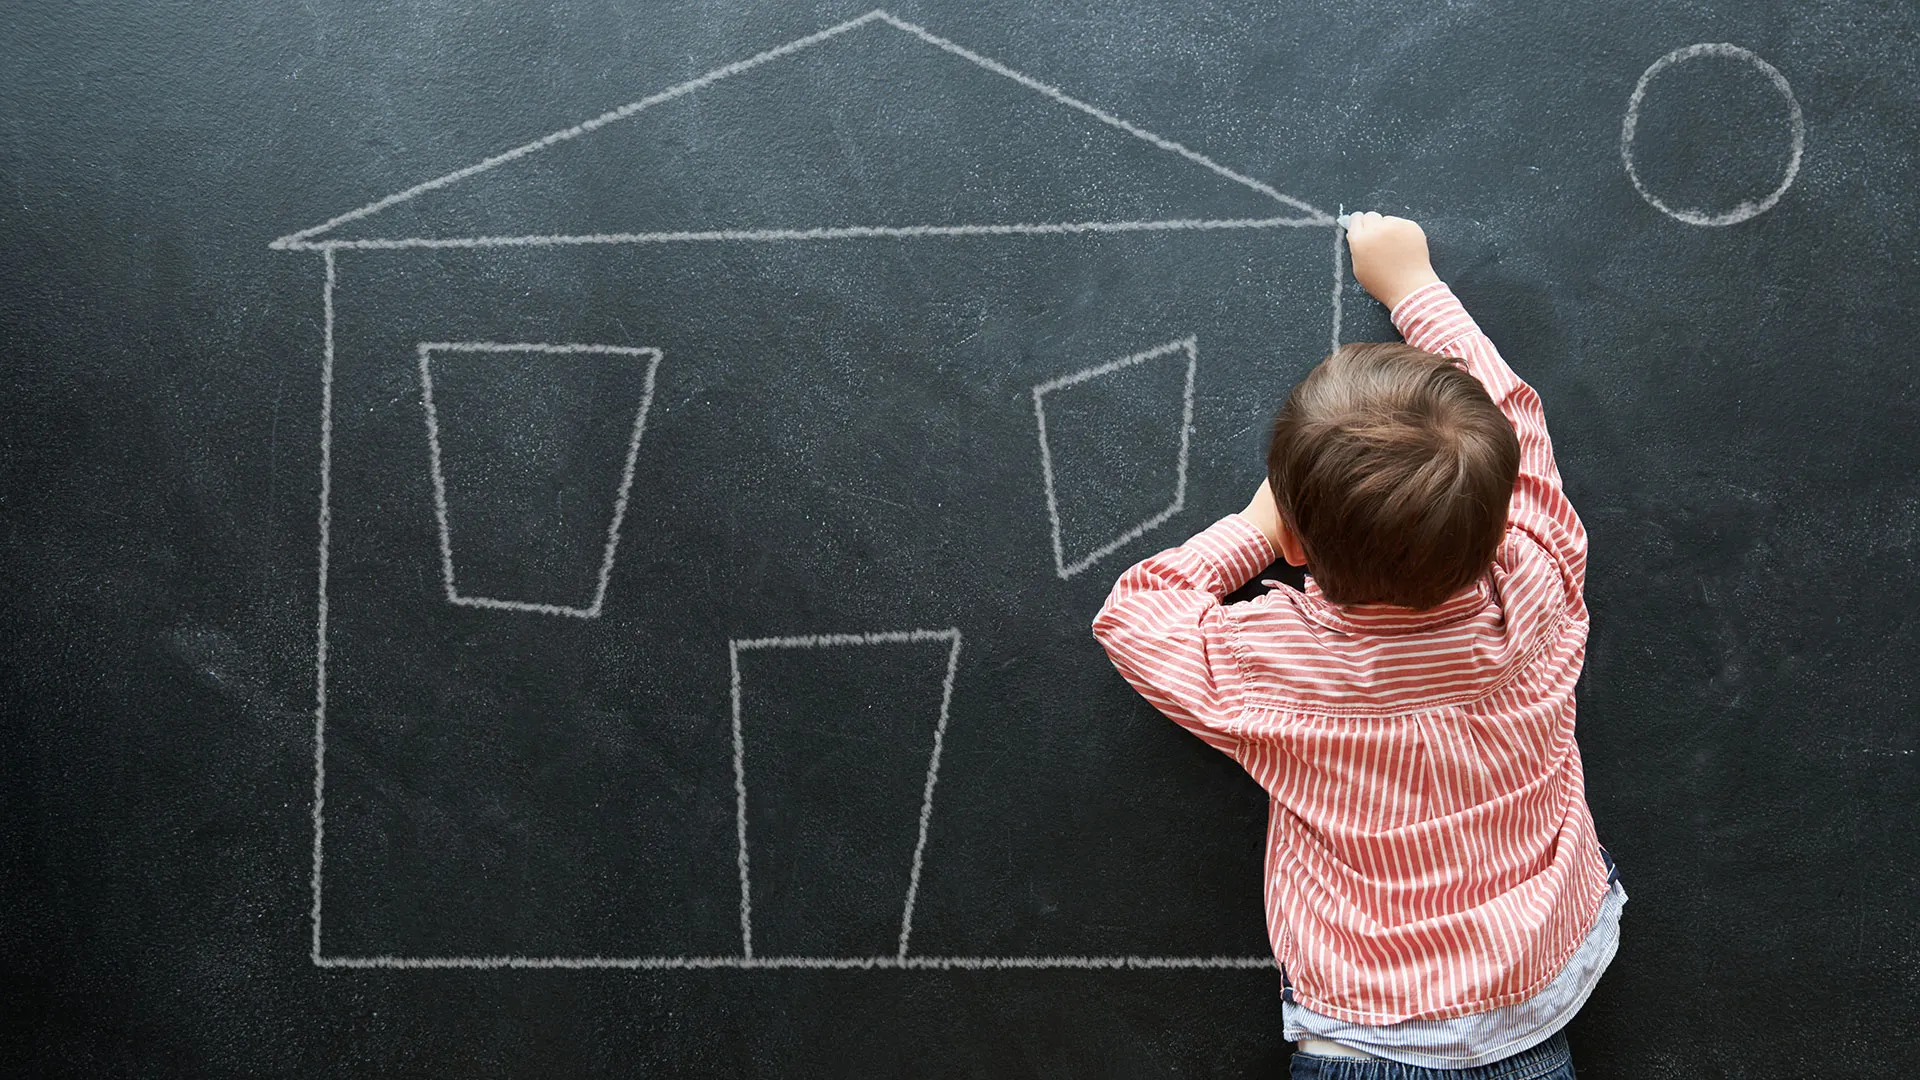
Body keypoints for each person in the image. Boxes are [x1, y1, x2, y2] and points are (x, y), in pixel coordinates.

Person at [1091, 213, 1623, 1078]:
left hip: (1370, 1037)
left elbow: (1136, 614)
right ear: (1495, 526)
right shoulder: (1543, 578)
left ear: (1299, 544)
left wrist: (1255, 527)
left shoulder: (1279, 667)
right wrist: (1418, 291)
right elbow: (1515, 425)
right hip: (1540, 991)